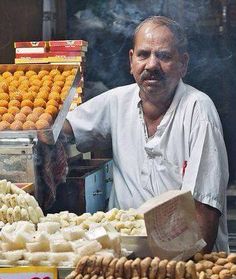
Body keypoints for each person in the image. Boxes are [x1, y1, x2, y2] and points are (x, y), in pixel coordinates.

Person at [62, 15, 229, 253]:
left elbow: (205, 211)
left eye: (164, 56)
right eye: (143, 55)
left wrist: (177, 273)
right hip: (126, 258)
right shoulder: (116, 101)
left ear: (183, 64)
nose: (151, 65)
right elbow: (62, 129)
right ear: (131, 61)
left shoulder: (198, 111)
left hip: (185, 261)